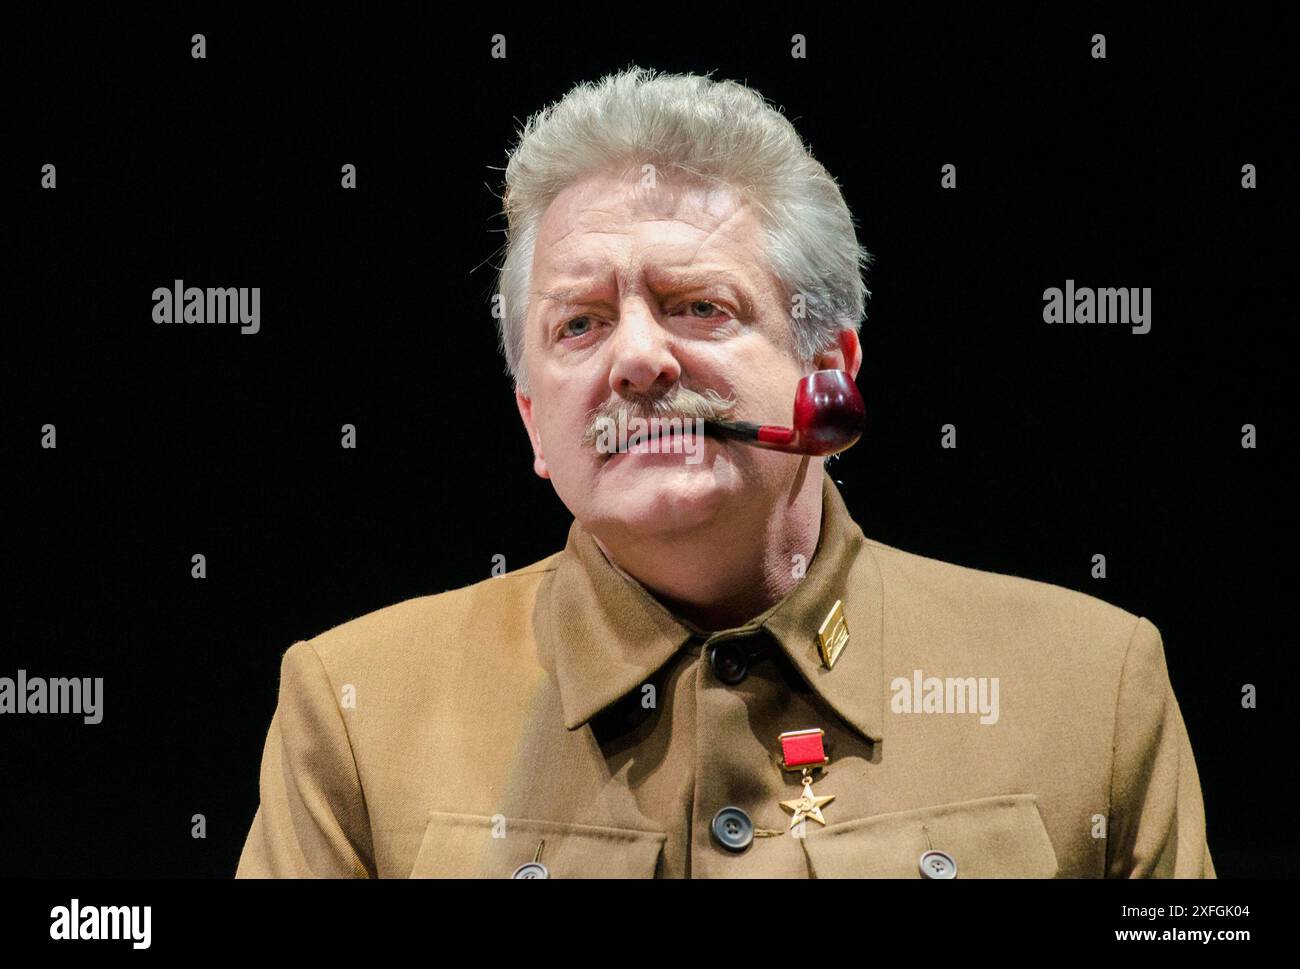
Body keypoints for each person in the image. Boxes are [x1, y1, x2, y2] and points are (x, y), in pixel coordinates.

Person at [236, 66, 1213, 878]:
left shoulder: (1090, 687)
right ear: (535, 423)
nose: (637, 360)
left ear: (828, 372)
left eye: (697, 305)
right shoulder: (354, 708)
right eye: (576, 324)